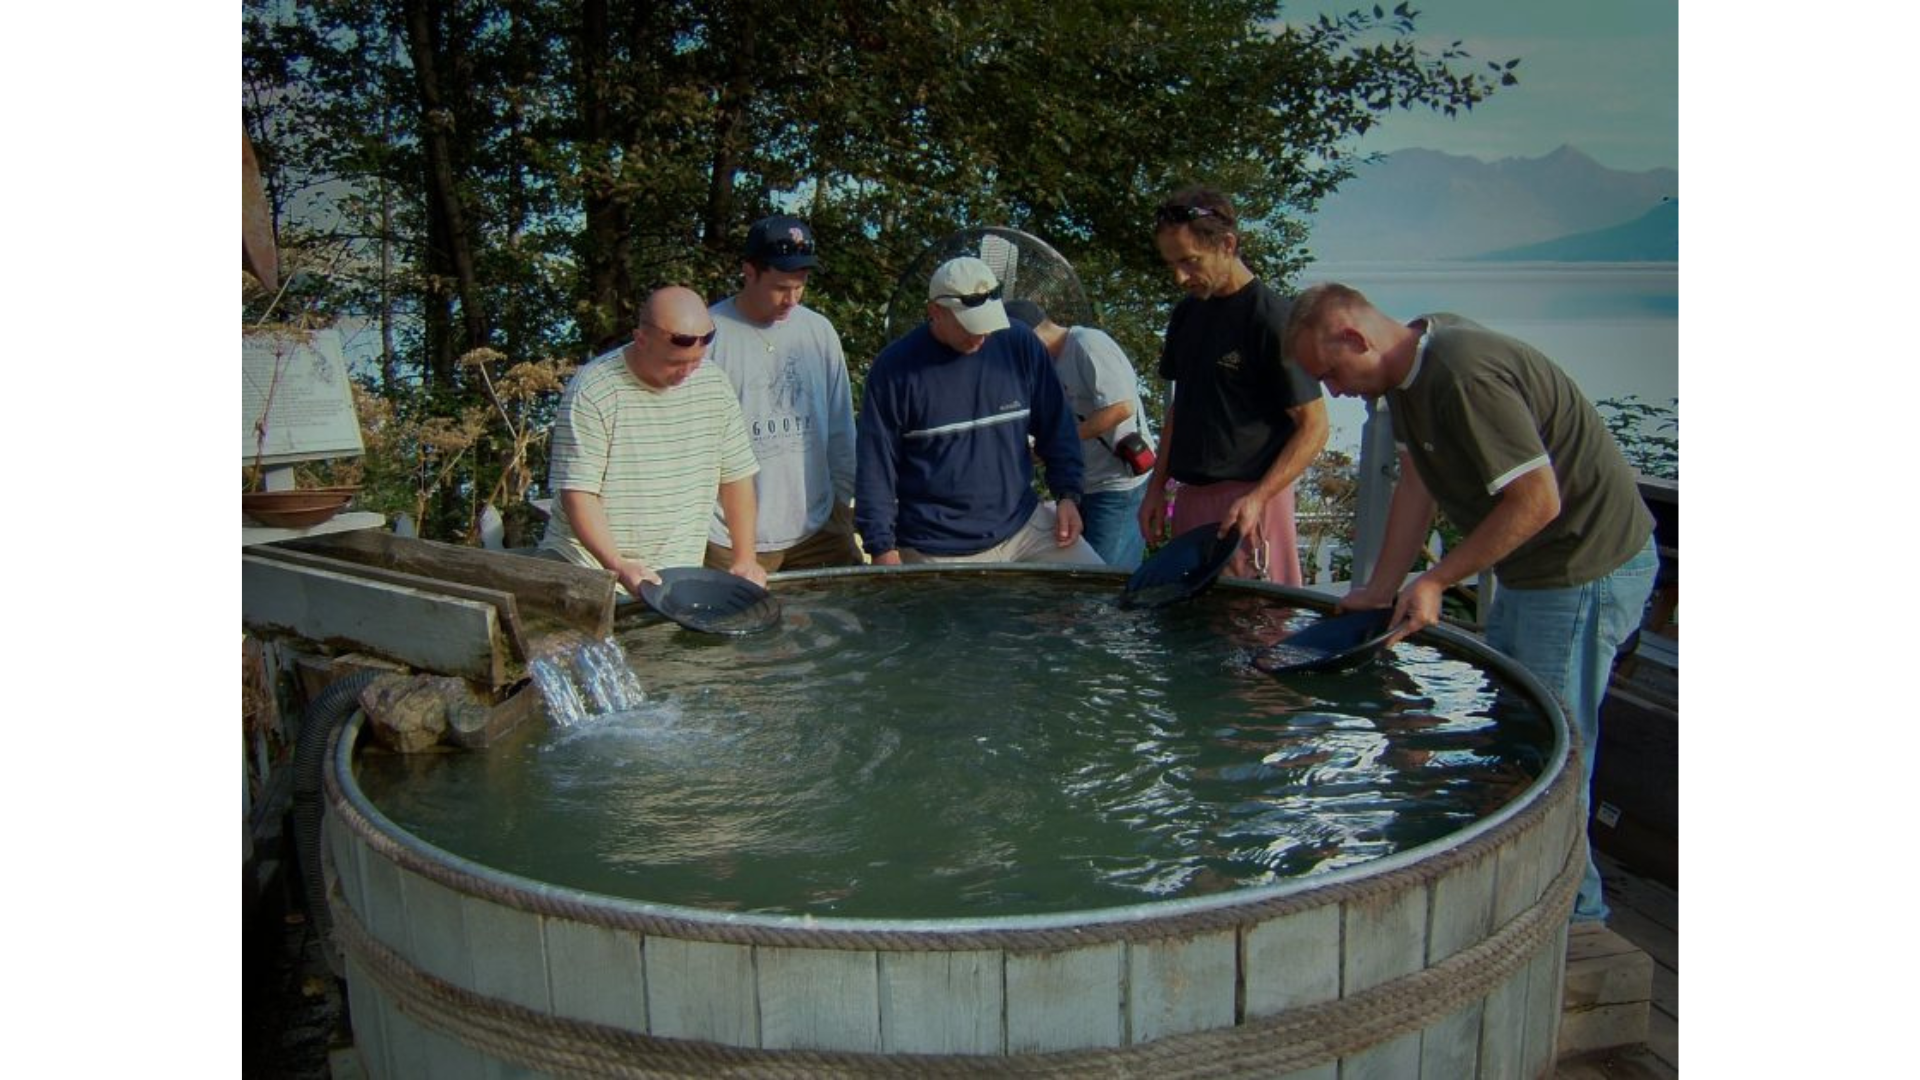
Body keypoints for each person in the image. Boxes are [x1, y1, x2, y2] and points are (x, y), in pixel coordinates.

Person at [1283, 281, 1659, 924]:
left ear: (1354, 336)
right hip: (1531, 569)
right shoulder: (1410, 370)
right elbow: (1417, 483)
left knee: (1555, 752)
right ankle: (1531, 896)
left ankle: (1574, 917)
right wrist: (1380, 584)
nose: (1336, 391)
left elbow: (1538, 501)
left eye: (1332, 373)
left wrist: (1434, 580)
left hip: (1581, 566)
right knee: (1518, 734)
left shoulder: (1462, 371)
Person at [855, 256, 1100, 566]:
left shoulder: (1019, 342)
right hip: (935, 546)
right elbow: (875, 465)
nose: (982, 336)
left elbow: (1057, 426)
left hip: (1023, 527)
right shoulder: (894, 370)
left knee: (1101, 603)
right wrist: (881, 548)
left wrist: (1068, 496)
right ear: (936, 313)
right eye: (971, 326)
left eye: (989, 324)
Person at [1140, 185, 1329, 583]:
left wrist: (1259, 498)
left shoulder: (1271, 318)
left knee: (1256, 630)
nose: (1180, 276)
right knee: (1192, 626)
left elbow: (1314, 426)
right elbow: (1183, 406)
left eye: (1190, 262)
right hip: (1190, 495)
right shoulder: (1187, 315)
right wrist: (1156, 488)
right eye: (1171, 264)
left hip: (1250, 500)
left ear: (1227, 244)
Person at [537, 286, 767, 593]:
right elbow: (579, 494)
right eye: (675, 363)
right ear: (641, 339)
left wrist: (745, 558)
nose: (687, 372)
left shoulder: (714, 385)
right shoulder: (594, 390)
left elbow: (736, 478)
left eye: (696, 361)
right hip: (587, 567)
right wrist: (616, 563)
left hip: (672, 573)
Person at [702, 214, 861, 574]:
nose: (791, 298)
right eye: (780, 287)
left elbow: (840, 428)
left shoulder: (818, 332)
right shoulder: (710, 335)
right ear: (749, 271)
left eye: (800, 285)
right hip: (730, 540)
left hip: (820, 527)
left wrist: (842, 507)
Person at [1004, 299, 1155, 571]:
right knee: (1082, 580)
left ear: (1025, 335)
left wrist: (1060, 441)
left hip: (1117, 487)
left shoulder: (1088, 343)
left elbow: (1121, 407)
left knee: (1105, 583)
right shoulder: (1046, 366)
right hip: (1083, 488)